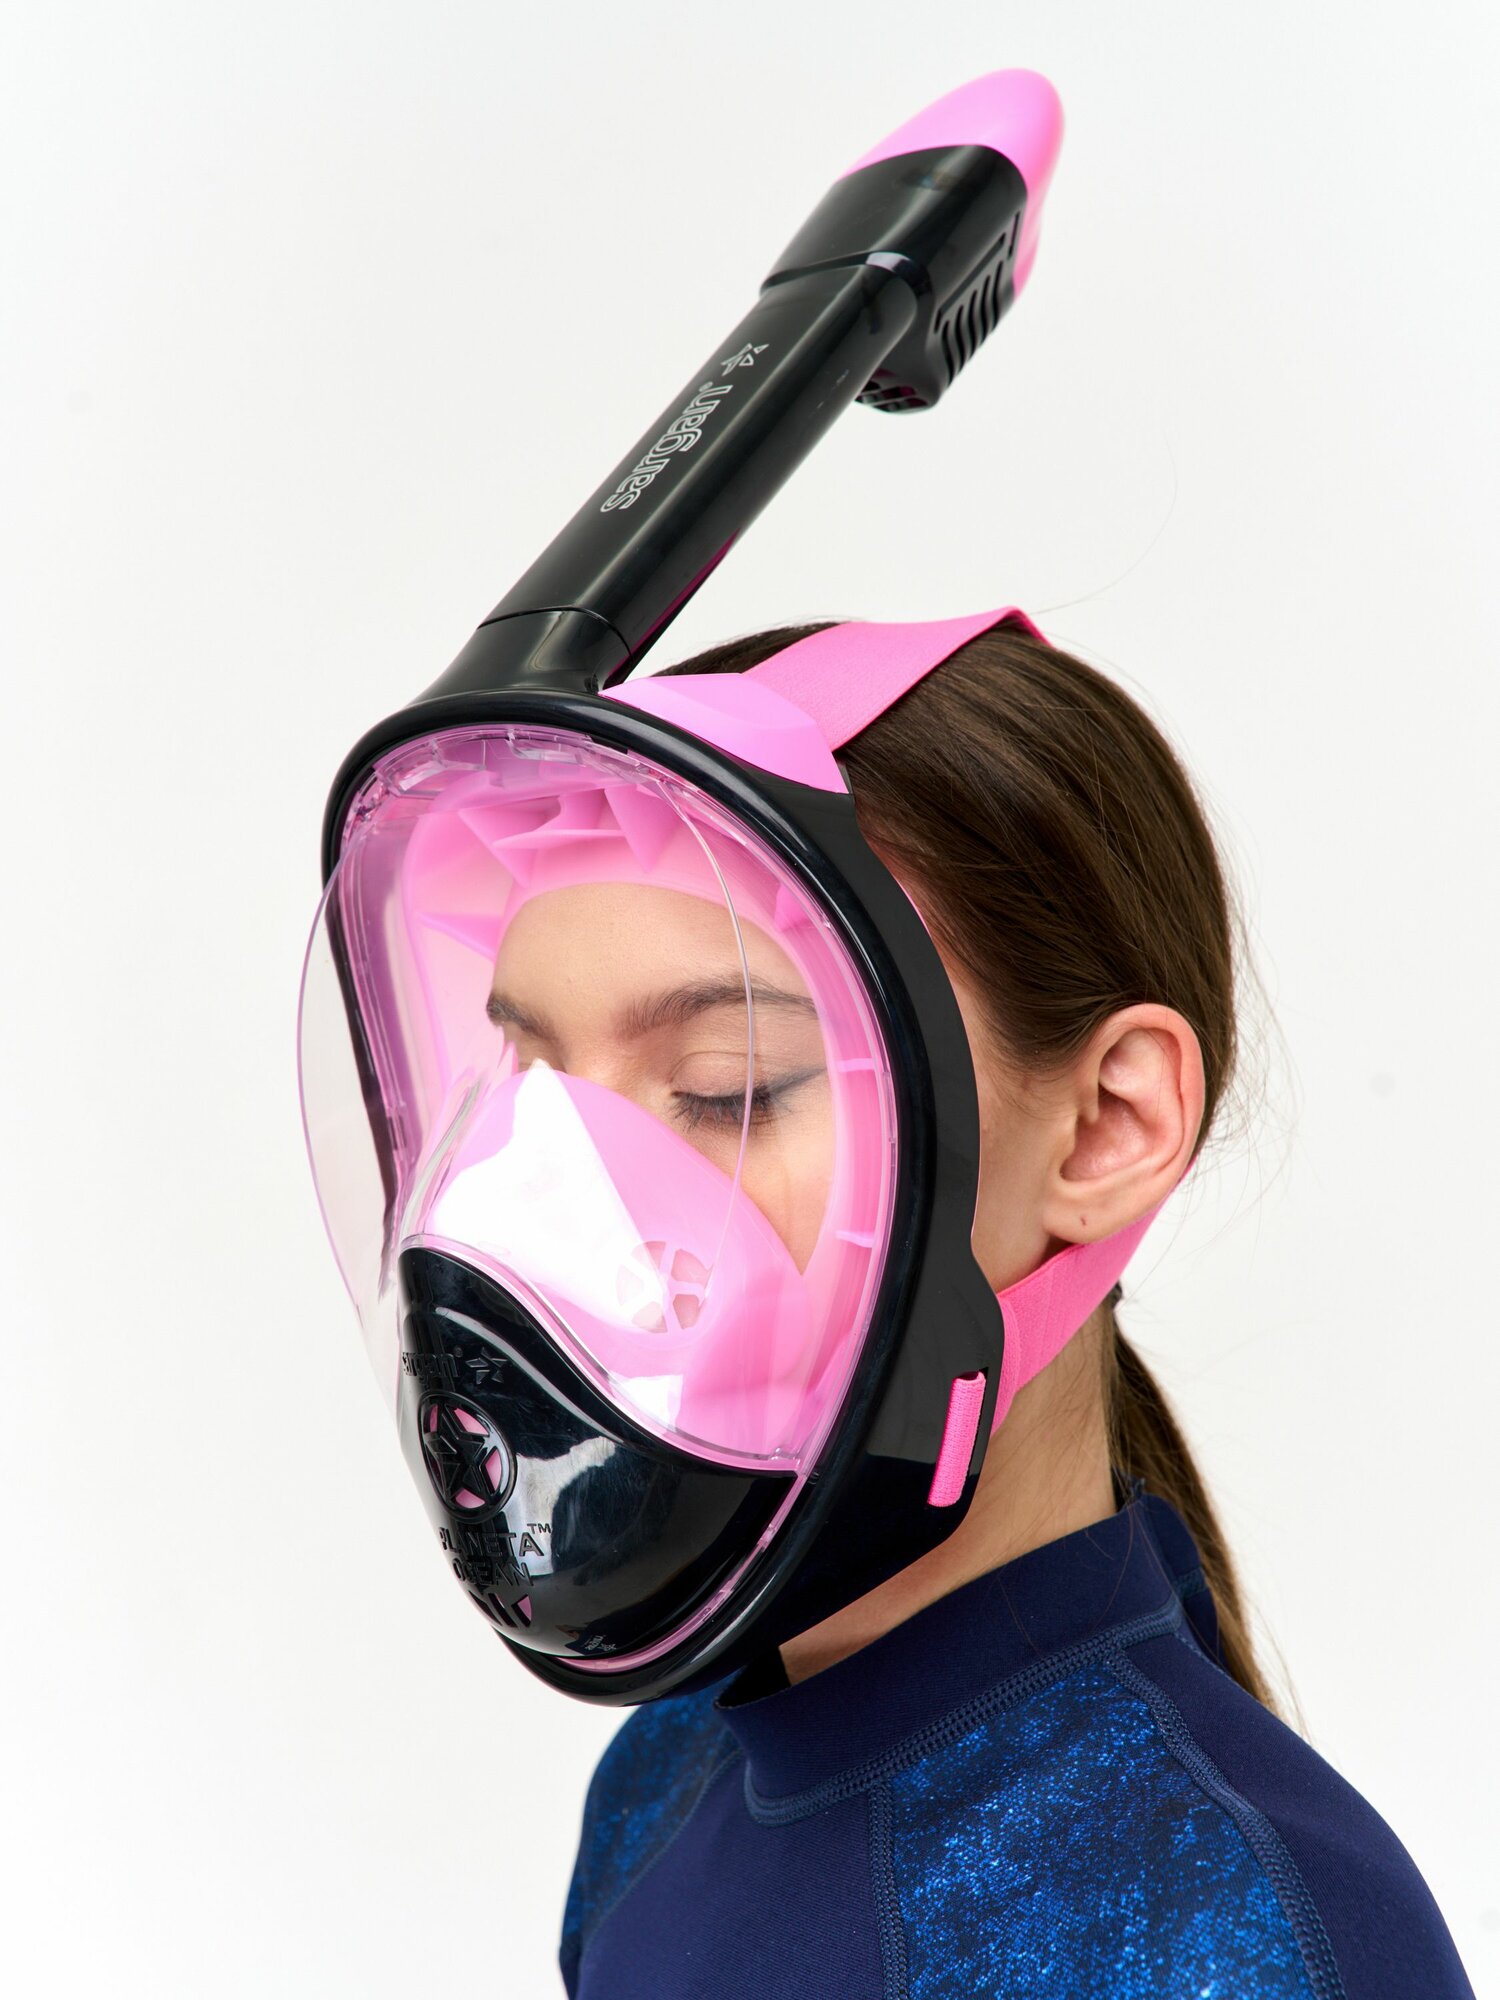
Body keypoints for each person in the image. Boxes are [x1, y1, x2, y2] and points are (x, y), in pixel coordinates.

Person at [556, 617, 1476, 1999]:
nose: (578, 1207)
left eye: (724, 1087)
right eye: (536, 1086)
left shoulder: (1243, 1928)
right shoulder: (662, 1779)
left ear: (1106, 1126)